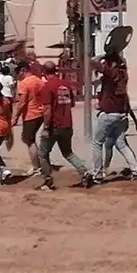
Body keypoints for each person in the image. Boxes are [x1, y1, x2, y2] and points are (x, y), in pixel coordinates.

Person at [89, 49, 137, 184]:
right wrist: (136, 122)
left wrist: (104, 54)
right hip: (121, 114)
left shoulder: (111, 73)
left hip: (109, 113)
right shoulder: (123, 75)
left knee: (97, 143)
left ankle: (97, 175)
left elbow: (92, 62)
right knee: (121, 144)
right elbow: (126, 98)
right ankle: (136, 171)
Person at [36, 62, 92, 190]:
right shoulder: (65, 84)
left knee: (42, 153)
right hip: (67, 123)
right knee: (68, 152)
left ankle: (48, 180)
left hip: (54, 125)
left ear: (44, 72)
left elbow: (47, 110)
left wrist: (45, 128)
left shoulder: (47, 87)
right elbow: (71, 103)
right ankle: (84, 172)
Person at [12, 61, 47, 178]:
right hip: (40, 112)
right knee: (29, 139)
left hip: (31, 114)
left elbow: (21, 103)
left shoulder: (24, 83)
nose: (17, 75)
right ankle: (39, 164)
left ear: (23, 70)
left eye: (17, 72)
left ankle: (37, 167)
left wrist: (15, 117)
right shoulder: (39, 81)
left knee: (29, 140)